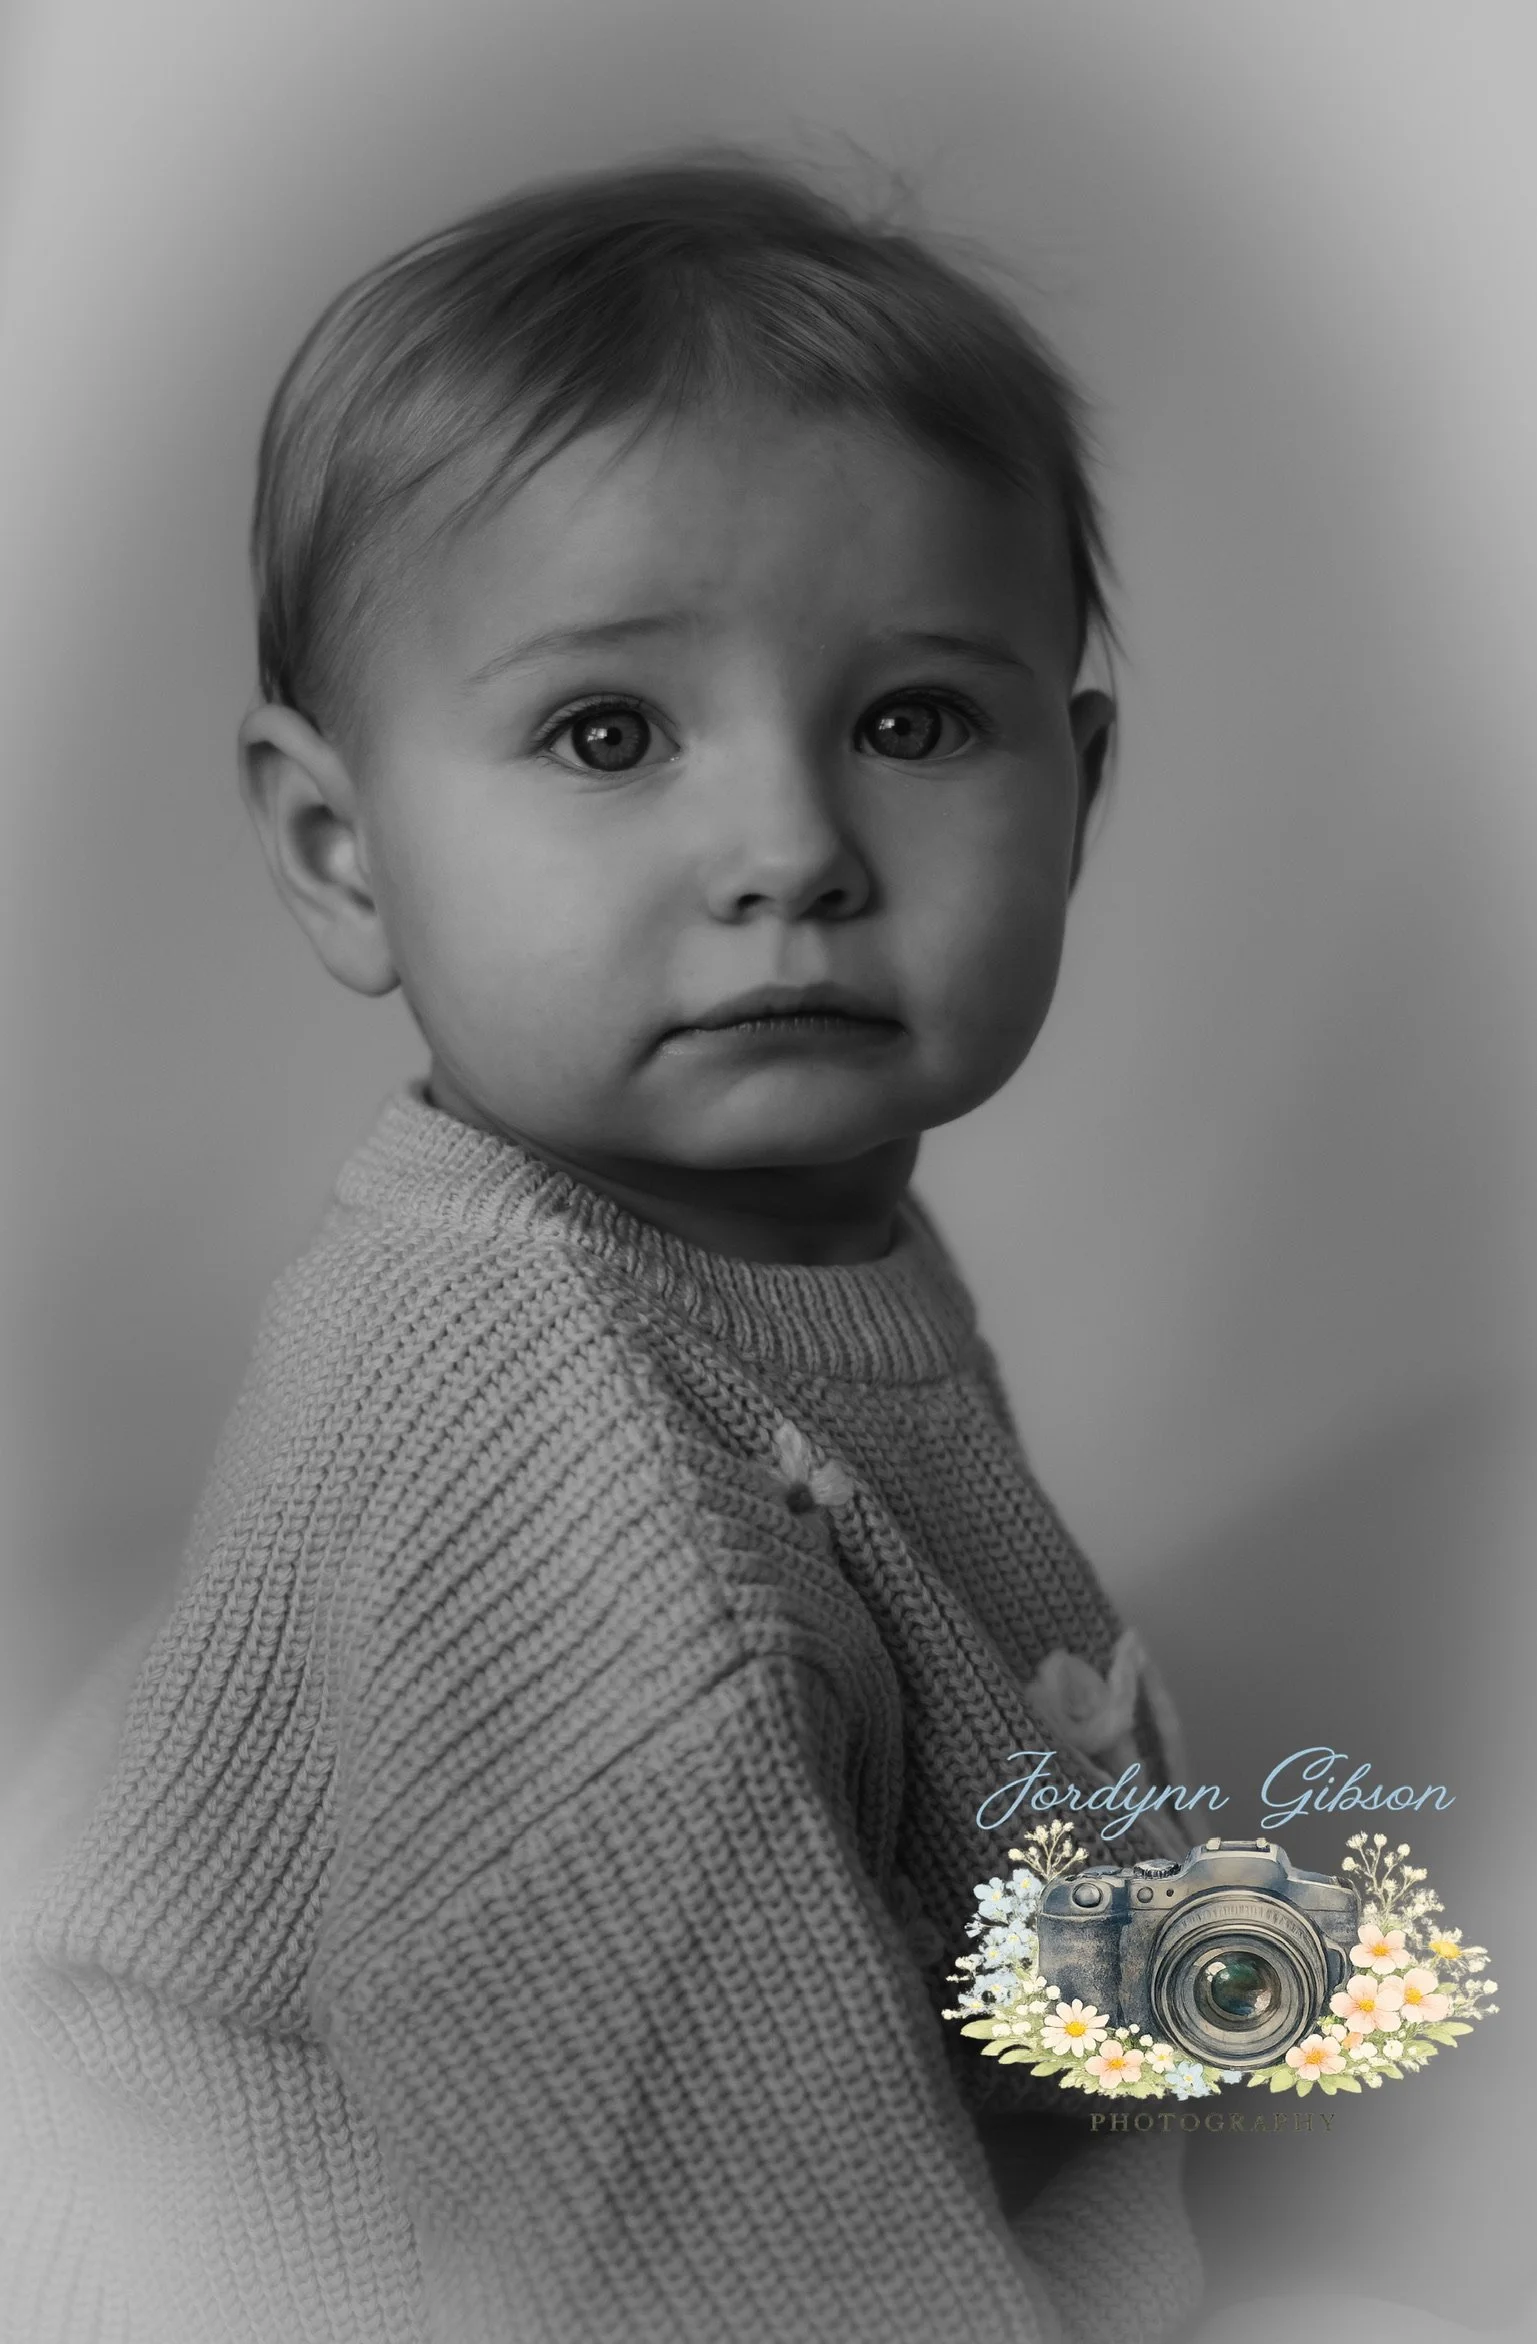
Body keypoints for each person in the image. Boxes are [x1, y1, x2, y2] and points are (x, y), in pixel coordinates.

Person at [0, 154, 1204, 2343]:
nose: (791, 851)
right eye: (608, 732)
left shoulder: (756, 1229)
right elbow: (692, 2212)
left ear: (1079, 785)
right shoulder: (561, 1470)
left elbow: (956, 1691)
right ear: (340, 849)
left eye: (912, 721)